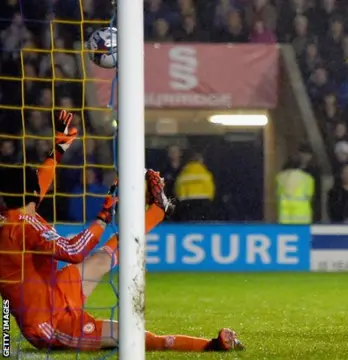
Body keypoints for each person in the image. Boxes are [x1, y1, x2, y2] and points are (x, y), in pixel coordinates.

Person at [0, 110, 244, 352]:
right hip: (49, 322)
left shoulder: (17, 213)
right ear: (30, 193)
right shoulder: (22, 226)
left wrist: (60, 147)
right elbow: (73, 251)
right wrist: (103, 216)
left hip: (56, 290)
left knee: (104, 257)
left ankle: (159, 210)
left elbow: (40, 182)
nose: (41, 186)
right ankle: (212, 346)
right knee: (132, 336)